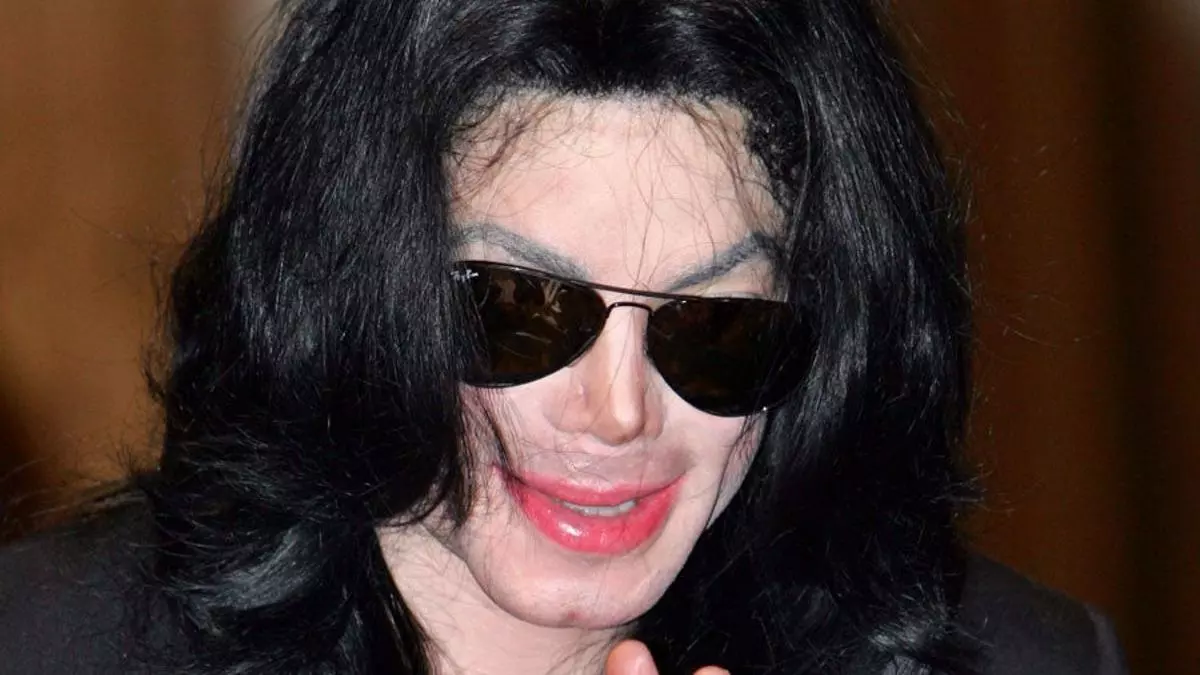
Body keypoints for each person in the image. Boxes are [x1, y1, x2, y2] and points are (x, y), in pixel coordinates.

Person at [0, 1, 1127, 673]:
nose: (617, 410)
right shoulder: (43, 644)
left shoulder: (1037, 660)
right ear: (356, 280)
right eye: (519, 306)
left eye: (715, 326)